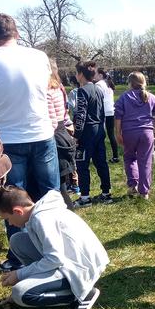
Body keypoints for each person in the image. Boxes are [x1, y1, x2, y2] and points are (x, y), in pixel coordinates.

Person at [0, 12, 59, 272]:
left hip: (7, 140)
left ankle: (19, 255)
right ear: (16, 32)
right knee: (50, 196)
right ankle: (56, 246)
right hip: (42, 134)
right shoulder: (39, 57)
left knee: (12, 199)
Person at [0, 186, 108, 309]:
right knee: (17, 241)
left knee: (20, 294)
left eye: (7, 219)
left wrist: (20, 275)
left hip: (80, 269)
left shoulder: (41, 219)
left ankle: (83, 294)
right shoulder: (38, 213)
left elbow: (55, 259)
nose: (10, 224)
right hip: (71, 261)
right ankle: (44, 284)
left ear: (17, 211)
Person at [114, 72, 155, 199]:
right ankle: (144, 192)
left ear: (130, 83)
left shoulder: (123, 98)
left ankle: (132, 185)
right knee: (145, 161)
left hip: (129, 133)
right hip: (146, 133)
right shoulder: (151, 97)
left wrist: (118, 133)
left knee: (129, 158)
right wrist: (153, 125)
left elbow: (118, 117)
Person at [73, 61, 113, 208]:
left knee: (82, 164)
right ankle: (106, 193)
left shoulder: (82, 91)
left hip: (87, 133)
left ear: (81, 74)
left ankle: (85, 197)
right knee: (101, 162)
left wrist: (76, 135)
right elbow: (102, 113)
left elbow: (81, 115)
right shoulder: (98, 90)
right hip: (99, 131)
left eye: (76, 73)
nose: (76, 76)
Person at [47, 58, 76, 210]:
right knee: (62, 184)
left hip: (54, 136)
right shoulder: (59, 88)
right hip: (63, 133)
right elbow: (64, 113)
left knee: (58, 187)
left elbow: (51, 120)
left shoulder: (47, 91)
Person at [95, 68, 120, 163]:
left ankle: (101, 157)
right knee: (111, 135)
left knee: (100, 135)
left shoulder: (98, 85)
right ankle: (115, 156)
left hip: (103, 112)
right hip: (111, 111)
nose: (94, 76)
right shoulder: (109, 84)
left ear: (101, 75)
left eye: (96, 74)